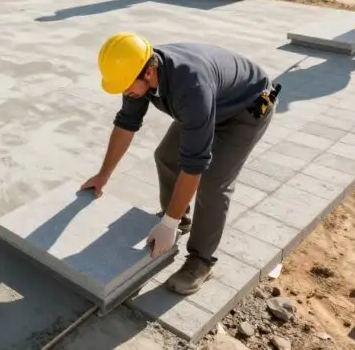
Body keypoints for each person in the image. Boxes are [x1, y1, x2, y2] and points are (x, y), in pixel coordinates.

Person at [81, 32, 280, 295]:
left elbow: (194, 165)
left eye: (126, 85)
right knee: (166, 156)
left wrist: (167, 226)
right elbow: (126, 125)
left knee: (213, 183)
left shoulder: (190, 87)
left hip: (247, 108)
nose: (124, 91)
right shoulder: (136, 71)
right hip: (213, 100)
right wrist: (103, 174)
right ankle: (178, 218)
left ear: (149, 73)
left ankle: (201, 261)